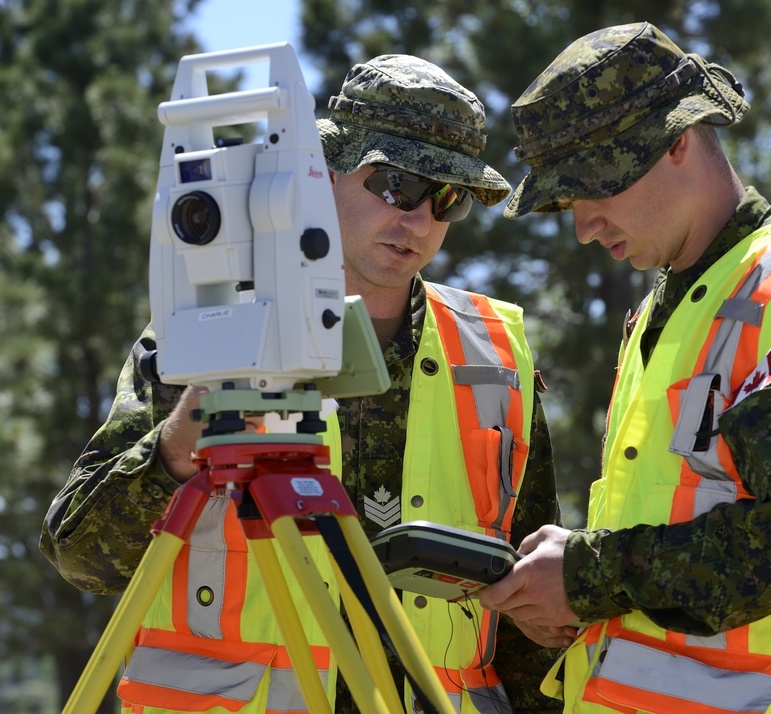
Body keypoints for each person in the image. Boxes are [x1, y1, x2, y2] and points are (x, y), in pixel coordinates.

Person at [41, 55, 563, 714]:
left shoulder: (495, 352)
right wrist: (182, 442)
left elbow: (530, 620)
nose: (419, 221)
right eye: (397, 186)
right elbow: (80, 555)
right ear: (322, 170)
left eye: (448, 199)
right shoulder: (205, 331)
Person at [478, 21, 771, 713]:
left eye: (592, 188)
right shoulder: (662, 318)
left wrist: (592, 572)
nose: (581, 226)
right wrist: (574, 580)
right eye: (565, 201)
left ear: (678, 141)